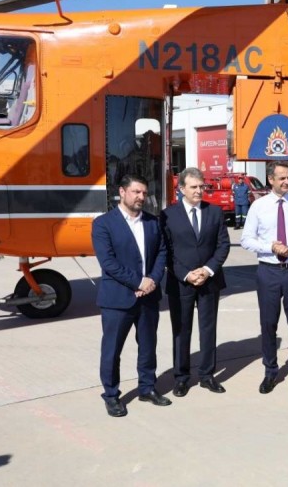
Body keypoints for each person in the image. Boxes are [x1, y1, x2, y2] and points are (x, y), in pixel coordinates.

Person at [91, 174, 169, 417]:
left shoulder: (152, 222)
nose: (141, 197)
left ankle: (147, 388)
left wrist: (152, 280)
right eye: (136, 192)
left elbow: (162, 253)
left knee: (148, 346)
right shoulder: (103, 224)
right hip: (117, 299)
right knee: (112, 350)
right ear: (122, 192)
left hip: (148, 297)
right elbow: (108, 263)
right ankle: (111, 395)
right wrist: (138, 281)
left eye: (144, 193)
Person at [241, 161, 288, 395]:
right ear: (271, 180)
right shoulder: (259, 206)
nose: (286, 182)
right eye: (282, 178)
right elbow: (246, 239)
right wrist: (270, 247)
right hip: (269, 271)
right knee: (268, 323)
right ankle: (270, 371)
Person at [161, 167, 231, 398]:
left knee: (208, 330)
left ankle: (207, 375)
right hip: (181, 282)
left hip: (209, 281)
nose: (199, 191)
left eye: (202, 186)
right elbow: (166, 250)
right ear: (181, 189)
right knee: (181, 330)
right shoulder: (168, 215)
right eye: (194, 187)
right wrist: (185, 274)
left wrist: (208, 270)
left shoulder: (214, 212)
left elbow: (223, 245)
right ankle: (181, 378)